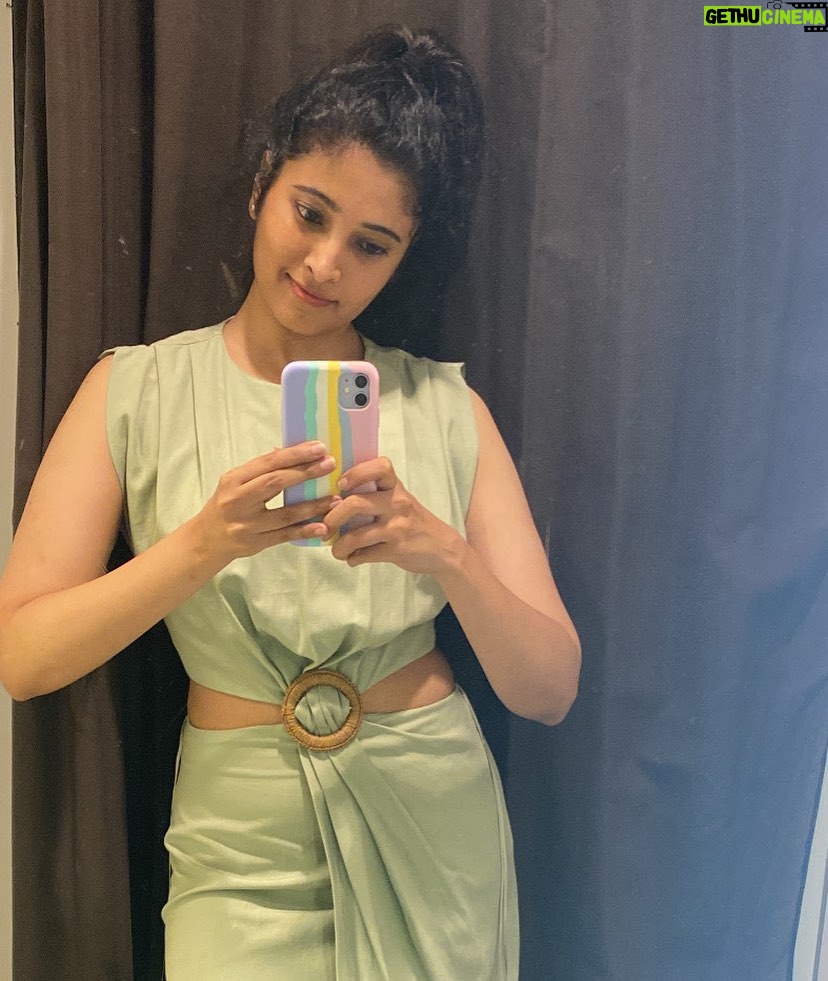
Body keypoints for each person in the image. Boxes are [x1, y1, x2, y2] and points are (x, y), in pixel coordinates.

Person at [0, 24, 580, 981]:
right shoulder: (133, 391)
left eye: (371, 244)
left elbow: (549, 688)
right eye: (310, 213)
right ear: (263, 182)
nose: (325, 264)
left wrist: (443, 553)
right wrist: (202, 544)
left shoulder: (446, 407)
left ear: (405, 257)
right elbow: (23, 656)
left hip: (433, 821)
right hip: (239, 844)